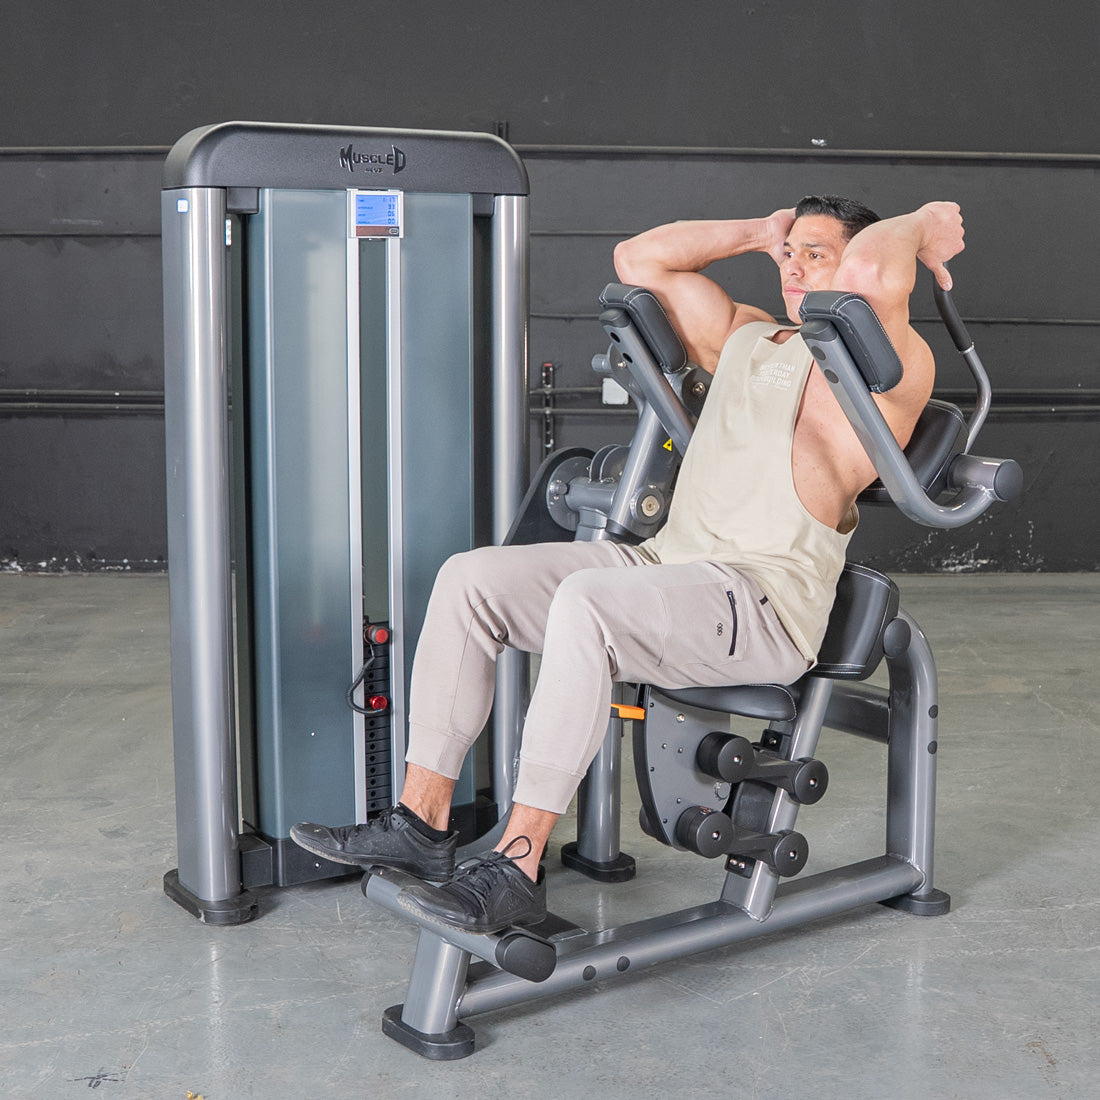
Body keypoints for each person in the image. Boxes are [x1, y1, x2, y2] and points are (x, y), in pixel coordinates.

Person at [292, 194, 966, 935]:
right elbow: (639, 259)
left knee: (586, 600)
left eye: (819, 252)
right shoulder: (747, 335)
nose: (798, 267)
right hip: (663, 564)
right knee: (471, 578)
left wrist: (927, 221)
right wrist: (757, 232)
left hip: (758, 601)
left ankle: (515, 865)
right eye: (793, 254)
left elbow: (870, 269)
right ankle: (422, 822)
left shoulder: (889, 364)